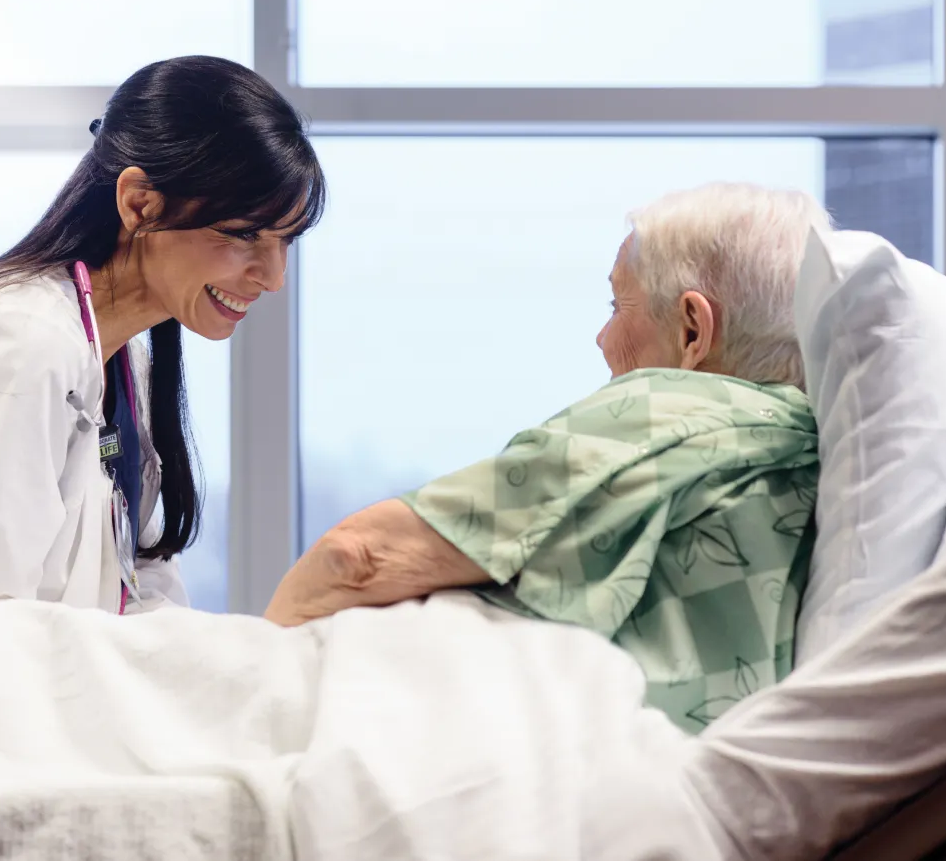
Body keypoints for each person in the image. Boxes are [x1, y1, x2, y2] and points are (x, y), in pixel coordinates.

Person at [0, 56, 326, 676]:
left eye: (285, 242)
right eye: (245, 234)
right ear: (140, 204)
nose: (272, 278)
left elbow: (136, 597)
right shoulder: (13, 346)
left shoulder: (120, 365)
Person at [265, 182, 831, 733]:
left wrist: (258, 674)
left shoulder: (660, 412)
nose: (601, 337)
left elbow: (356, 558)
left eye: (618, 304)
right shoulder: (811, 452)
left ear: (692, 330)